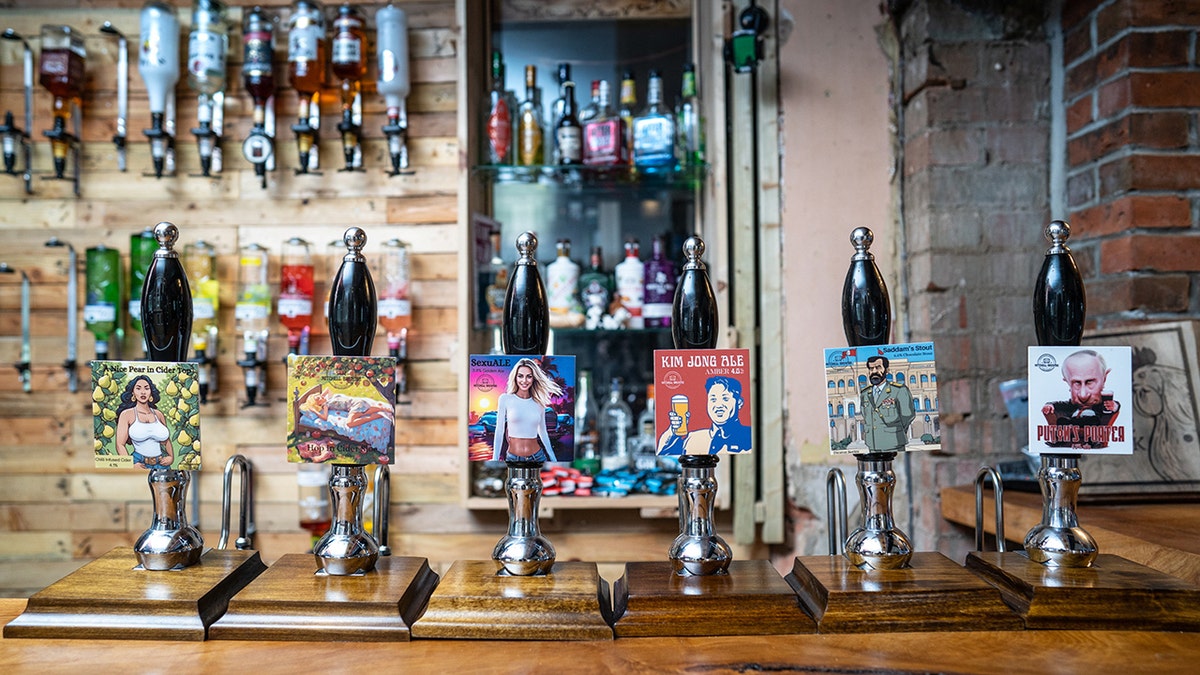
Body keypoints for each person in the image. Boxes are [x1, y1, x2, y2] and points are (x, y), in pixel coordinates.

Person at [1041, 349, 1119, 448]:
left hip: (1090, 428)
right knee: (1062, 422)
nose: (1083, 395)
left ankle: (1091, 443)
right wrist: (1050, 405)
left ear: (1104, 379)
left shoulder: (1101, 405)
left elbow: (1110, 409)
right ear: (1067, 382)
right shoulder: (1072, 406)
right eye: (1076, 383)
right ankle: (1059, 441)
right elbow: (1061, 405)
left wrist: (1114, 406)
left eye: (1090, 382)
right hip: (1073, 429)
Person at [658, 376, 752, 455]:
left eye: (725, 399)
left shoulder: (748, 437)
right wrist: (673, 432)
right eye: (713, 400)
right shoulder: (693, 438)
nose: (718, 405)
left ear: (739, 403)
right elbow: (663, 457)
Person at [492, 358, 561, 462]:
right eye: (520, 376)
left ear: (534, 378)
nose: (524, 381)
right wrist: (495, 458)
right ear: (515, 377)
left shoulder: (539, 402)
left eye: (529, 376)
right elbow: (499, 430)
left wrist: (552, 457)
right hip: (513, 458)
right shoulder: (505, 399)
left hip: (537, 457)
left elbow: (542, 431)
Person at [114, 375, 174, 469]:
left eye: (146, 388)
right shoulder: (127, 414)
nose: (143, 392)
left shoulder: (158, 414)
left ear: (151, 392)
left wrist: (171, 457)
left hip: (161, 463)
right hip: (138, 462)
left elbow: (166, 440)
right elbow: (120, 444)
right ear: (133, 392)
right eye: (138, 388)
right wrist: (130, 465)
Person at [859, 355, 915, 453]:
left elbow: (908, 415)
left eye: (878, 367)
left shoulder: (899, 390)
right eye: (871, 368)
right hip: (872, 444)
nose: (874, 371)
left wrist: (896, 431)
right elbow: (865, 414)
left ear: (887, 370)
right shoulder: (865, 393)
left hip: (894, 443)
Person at [298, 384, 393, 429]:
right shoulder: (325, 405)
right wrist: (316, 410)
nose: (319, 397)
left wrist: (320, 397)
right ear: (318, 404)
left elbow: (327, 389)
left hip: (355, 404)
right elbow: (325, 417)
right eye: (317, 399)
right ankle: (382, 410)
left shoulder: (328, 399)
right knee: (363, 412)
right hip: (357, 404)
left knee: (349, 423)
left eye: (318, 396)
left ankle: (374, 416)